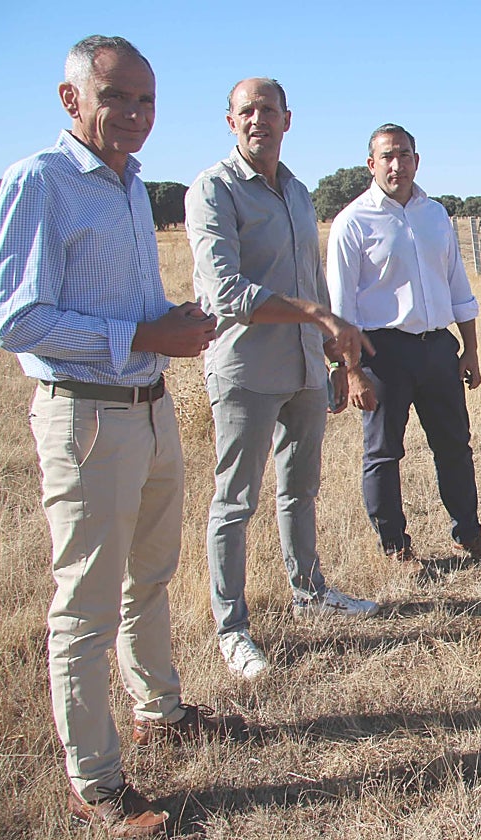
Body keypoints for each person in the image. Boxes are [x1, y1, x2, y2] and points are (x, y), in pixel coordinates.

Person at [0, 35, 243, 838]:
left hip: (149, 408)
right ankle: (94, 783)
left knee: (149, 576)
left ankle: (159, 711)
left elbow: (118, 304)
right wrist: (143, 335)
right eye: (116, 97)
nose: (135, 113)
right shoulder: (41, 180)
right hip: (88, 415)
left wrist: (168, 321)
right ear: (71, 99)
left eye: (146, 99)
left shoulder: (130, 184)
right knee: (87, 604)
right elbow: (15, 319)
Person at [185, 78, 380, 681]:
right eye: (246, 111)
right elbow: (226, 292)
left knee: (300, 489)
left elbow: (311, 281)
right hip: (246, 369)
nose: (257, 120)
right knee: (235, 501)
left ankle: (310, 591)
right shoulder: (213, 190)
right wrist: (318, 316)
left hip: (303, 369)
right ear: (230, 121)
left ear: (287, 119)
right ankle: (232, 629)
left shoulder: (296, 191)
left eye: (267, 110)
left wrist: (338, 359)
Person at [326, 124, 481, 569]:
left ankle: (469, 533)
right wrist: (353, 372)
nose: (397, 165)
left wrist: (469, 349)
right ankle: (395, 547)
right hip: (381, 353)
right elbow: (341, 309)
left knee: (455, 445)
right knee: (384, 452)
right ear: (371, 165)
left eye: (404, 155)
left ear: (417, 160)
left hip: (438, 349)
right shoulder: (353, 222)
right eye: (387, 157)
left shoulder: (435, 215)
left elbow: (457, 285)